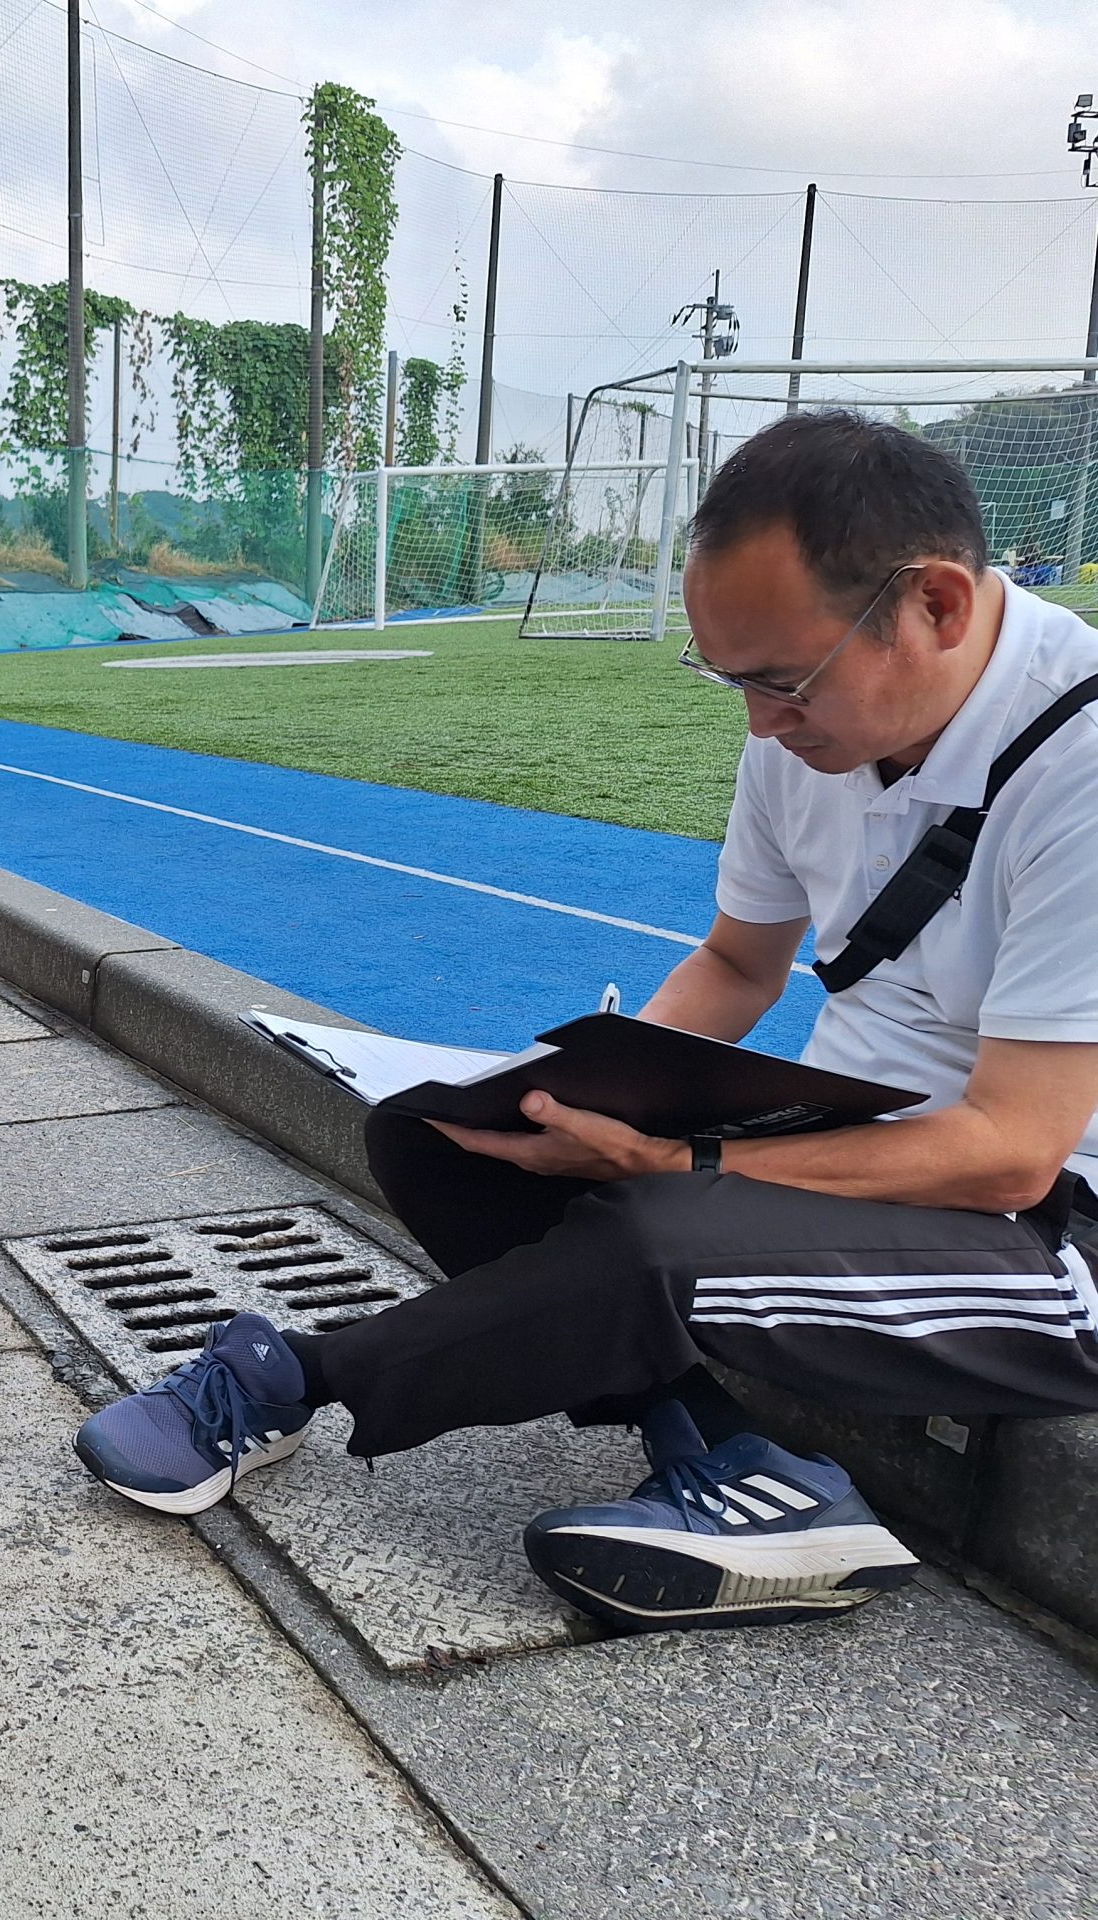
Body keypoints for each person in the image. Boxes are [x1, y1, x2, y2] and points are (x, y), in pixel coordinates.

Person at [75, 412, 1098, 1634]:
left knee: (653, 1234)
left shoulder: (1081, 766)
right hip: (876, 1146)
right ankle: (739, 1468)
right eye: (729, 681)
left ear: (934, 605)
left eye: (781, 680)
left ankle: (297, 1376)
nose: (759, 724)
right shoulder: (806, 736)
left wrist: (677, 1160)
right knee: (444, 1139)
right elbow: (735, 963)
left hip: (1056, 1227)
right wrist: (585, 1091)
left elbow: (1008, 1153)